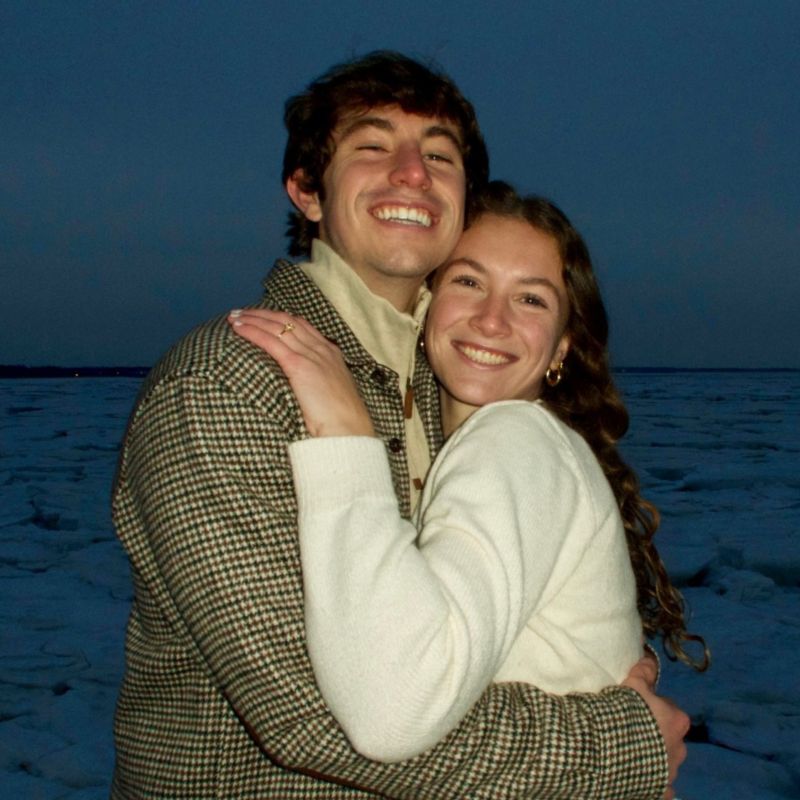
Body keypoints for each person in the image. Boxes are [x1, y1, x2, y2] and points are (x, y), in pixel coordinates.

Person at [112, 51, 688, 798]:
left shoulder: (457, 388)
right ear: (307, 190)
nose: (413, 173)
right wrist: (619, 743)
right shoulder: (228, 384)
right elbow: (313, 716)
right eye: (372, 145)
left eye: (439, 156)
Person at [230, 181, 709, 767]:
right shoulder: (509, 446)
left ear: (561, 348)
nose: (491, 319)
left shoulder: (513, 439)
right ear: (428, 304)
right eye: (469, 282)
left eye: (530, 299)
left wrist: (347, 436)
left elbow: (391, 716)